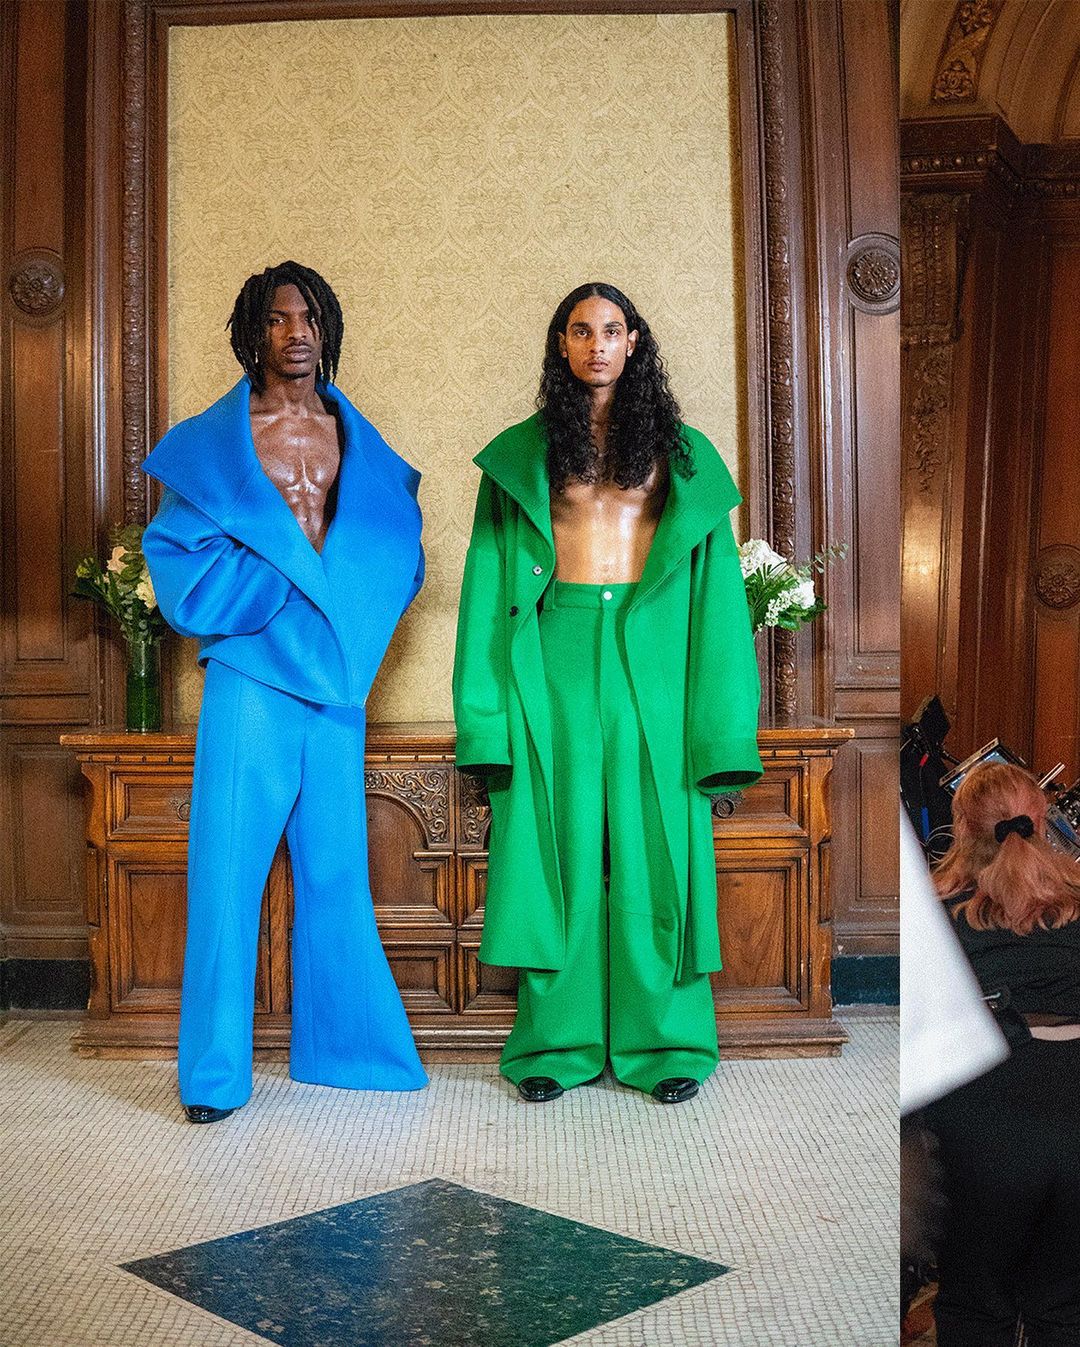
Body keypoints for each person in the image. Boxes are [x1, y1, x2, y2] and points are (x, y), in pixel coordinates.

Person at [452, 281, 762, 1105]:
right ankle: (555, 1042)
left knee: (656, 852)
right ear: (562, 344)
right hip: (553, 663)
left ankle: (668, 1041)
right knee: (557, 855)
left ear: (634, 343)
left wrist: (724, 725)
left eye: (612, 329)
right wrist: (484, 717)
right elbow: (487, 590)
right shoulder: (522, 456)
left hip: (652, 665)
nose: (597, 344)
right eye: (581, 330)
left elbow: (717, 599)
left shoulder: (681, 455)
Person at [142, 261, 427, 1123]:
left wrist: (350, 606)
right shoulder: (217, 440)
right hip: (252, 678)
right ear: (253, 332)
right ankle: (214, 1078)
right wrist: (285, 581)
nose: (295, 331)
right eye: (277, 317)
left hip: (335, 683)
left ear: (326, 327)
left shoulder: (354, 438)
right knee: (225, 873)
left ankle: (351, 1050)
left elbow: (395, 547)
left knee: (337, 870)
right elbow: (176, 561)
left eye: (309, 317)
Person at [926, 762, 1080, 1347]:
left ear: (962, 826)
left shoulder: (934, 918)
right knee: (1065, 1309)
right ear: (1044, 821)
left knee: (975, 1306)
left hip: (983, 1124)